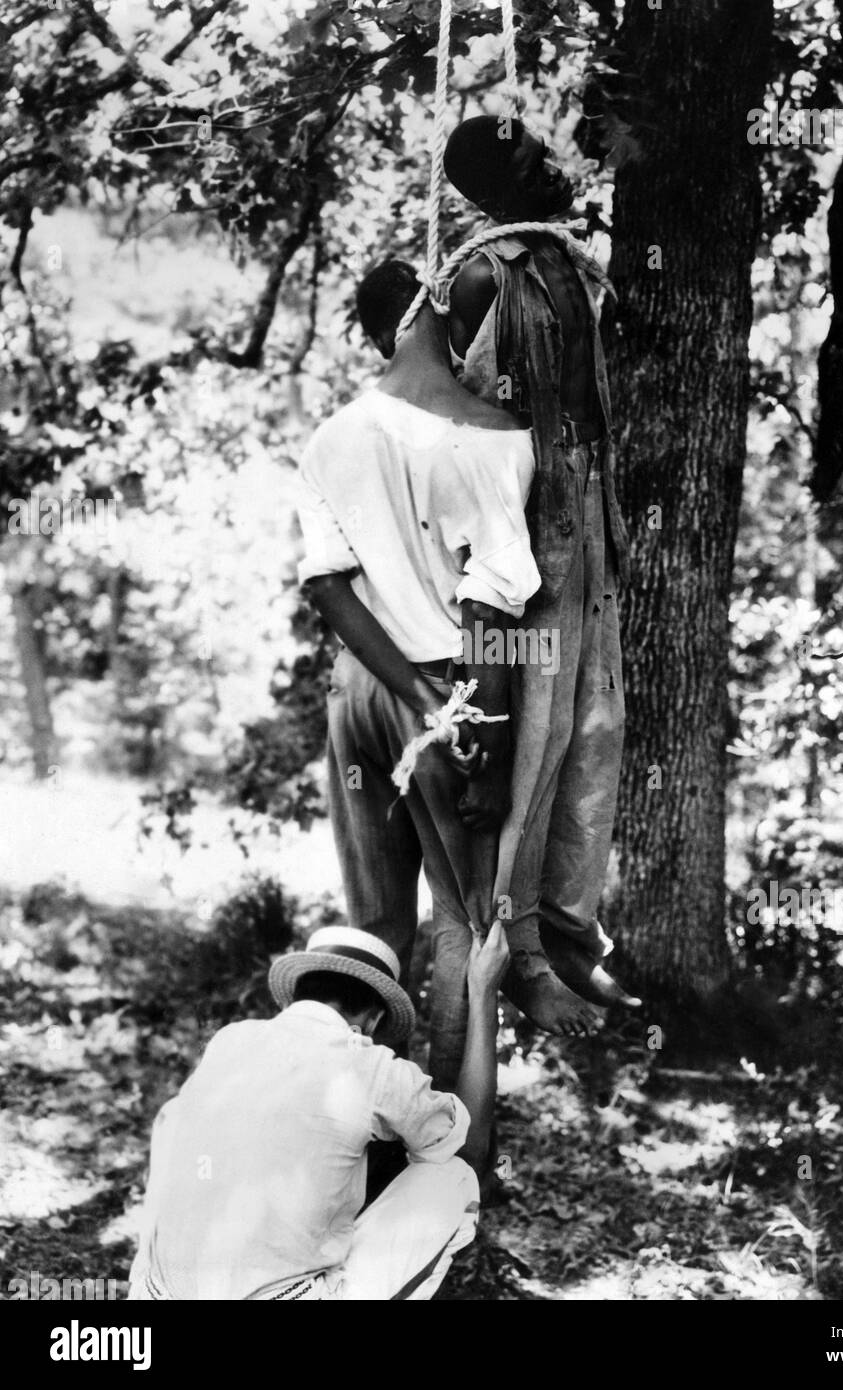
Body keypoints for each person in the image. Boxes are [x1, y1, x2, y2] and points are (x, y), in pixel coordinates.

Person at [298, 260, 603, 1082]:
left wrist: (403, 688)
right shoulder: (493, 435)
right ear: (437, 311)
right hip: (449, 689)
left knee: (374, 933)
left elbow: (326, 586)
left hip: (359, 688)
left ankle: (359, 1127)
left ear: (372, 339)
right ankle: (456, 1155)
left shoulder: (332, 436)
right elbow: (488, 608)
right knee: (467, 931)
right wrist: (476, 727)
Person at [441, 114, 639, 1028]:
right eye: (530, 159)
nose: (553, 165)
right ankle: (515, 952)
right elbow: (464, 432)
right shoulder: (484, 276)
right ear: (497, 185)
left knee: (597, 731)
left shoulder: (565, 261)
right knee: (535, 744)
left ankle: (570, 930)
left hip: (588, 517)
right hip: (528, 541)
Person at [128, 922, 509, 1301]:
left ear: (297, 996)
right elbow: (470, 1149)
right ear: (373, 1021)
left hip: (158, 1292)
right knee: (453, 1174)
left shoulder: (229, 1041)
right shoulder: (369, 1065)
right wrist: (484, 991)